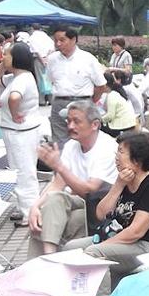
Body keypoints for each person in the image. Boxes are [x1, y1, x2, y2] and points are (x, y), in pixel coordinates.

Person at [62, 132, 149, 291]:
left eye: (121, 152)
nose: (116, 156)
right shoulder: (124, 180)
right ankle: (77, 295)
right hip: (122, 240)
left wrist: (102, 245)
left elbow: (136, 232)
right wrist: (118, 185)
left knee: (94, 253)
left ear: (137, 160)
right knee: (70, 248)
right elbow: (100, 214)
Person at [26, 101, 119, 260]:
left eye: (77, 121)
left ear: (95, 124)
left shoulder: (107, 146)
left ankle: (47, 262)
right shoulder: (71, 146)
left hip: (98, 205)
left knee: (62, 215)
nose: (70, 126)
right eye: (68, 121)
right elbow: (57, 184)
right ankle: (49, 260)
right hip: (73, 201)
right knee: (45, 210)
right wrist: (35, 207)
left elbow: (89, 191)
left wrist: (60, 167)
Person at [0, 43, 43, 226]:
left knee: (24, 172)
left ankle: (29, 213)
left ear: (17, 58)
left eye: (7, 55)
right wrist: (3, 63)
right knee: (20, 171)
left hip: (20, 133)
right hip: (17, 132)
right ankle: (24, 207)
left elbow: (14, 97)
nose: (3, 57)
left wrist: (15, 113)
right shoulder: (15, 77)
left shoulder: (22, 79)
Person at [45, 28, 107, 145]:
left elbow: (101, 86)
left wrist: (90, 101)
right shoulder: (52, 59)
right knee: (59, 141)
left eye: (62, 40)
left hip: (83, 103)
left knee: (84, 139)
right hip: (59, 102)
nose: (58, 44)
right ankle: (62, 163)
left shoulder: (87, 59)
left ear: (73, 39)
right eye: (56, 40)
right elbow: (51, 80)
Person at [96, 70, 139, 136]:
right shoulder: (115, 93)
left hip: (122, 126)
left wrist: (99, 119)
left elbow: (110, 116)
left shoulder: (112, 96)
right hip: (129, 123)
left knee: (98, 127)